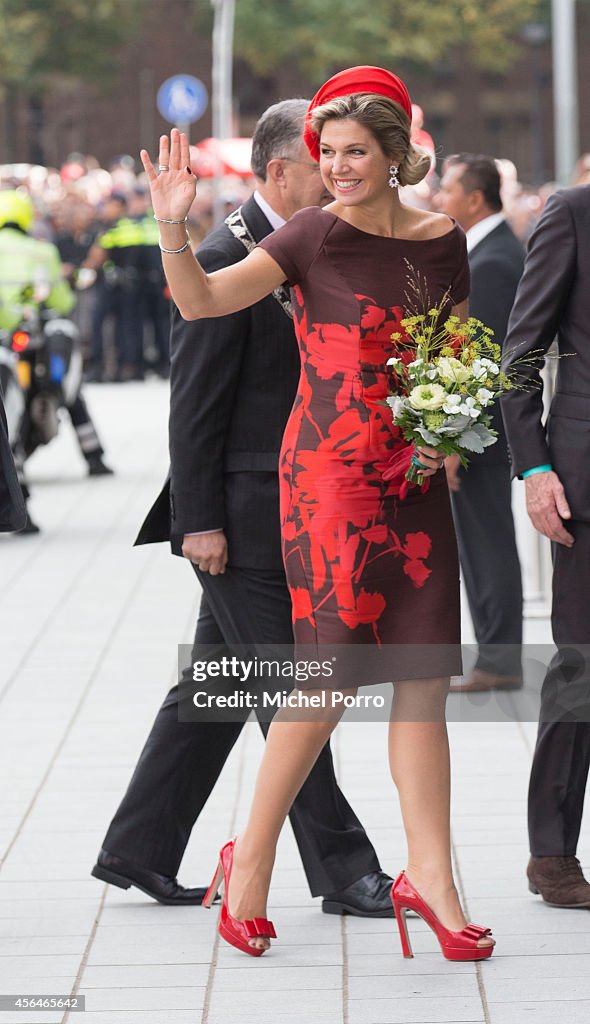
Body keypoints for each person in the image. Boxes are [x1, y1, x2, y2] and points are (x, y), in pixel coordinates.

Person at [141, 66, 495, 962]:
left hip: (411, 477)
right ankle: (251, 862)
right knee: (327, 679)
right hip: (328, 480)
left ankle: (434, 881)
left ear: (395, 156)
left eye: (353, 153)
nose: (336, 168)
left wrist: (448, 433)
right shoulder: (307, 235)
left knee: (421, 675)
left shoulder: (442, 238)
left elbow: (449, 346)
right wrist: (173, 225)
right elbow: (203, 301)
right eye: (325, 153)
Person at [93, 100, 394, 917]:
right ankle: (346, 871)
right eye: (319, 159)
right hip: (242, 515)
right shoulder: (225, 253)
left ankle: (137, 850)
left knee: (215, 688)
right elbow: (192, 406)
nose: (334, 174)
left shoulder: (310, 252)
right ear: (277, 172)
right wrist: (198, 520)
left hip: (295, 508)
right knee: (288, 691)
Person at [502, 182, 590, 909]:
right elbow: (520, 356)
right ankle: (552, 853)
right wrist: (533, 468)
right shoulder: (573, 213)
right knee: (582, 666)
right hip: (584, 485)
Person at [435, 154, 524, 692]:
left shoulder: (491, 260)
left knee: (486, 540)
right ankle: (497, 654)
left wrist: (452, 440)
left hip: (481, 433)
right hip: (481, 431)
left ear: (473, 199)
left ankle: (499, 659)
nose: (439, 199)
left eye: (447, 190)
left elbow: (477, 361)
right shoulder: (487, 250)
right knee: (482, 538)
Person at [0, 190, 112, 533]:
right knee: (70, 392)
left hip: (5, 338)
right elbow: (62, 300)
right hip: (30, 335)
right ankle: (93, 457)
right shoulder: (42, 250)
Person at [83, 194, 145, 382]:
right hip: (131, 283)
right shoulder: (134, 226)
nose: (106, 209)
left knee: (100, 323)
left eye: (109, 205)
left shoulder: (112, 228)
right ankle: (127, 366)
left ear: (119, 206)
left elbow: (97, 257)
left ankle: (99, 366)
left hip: (112, 284)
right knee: (127, 325)